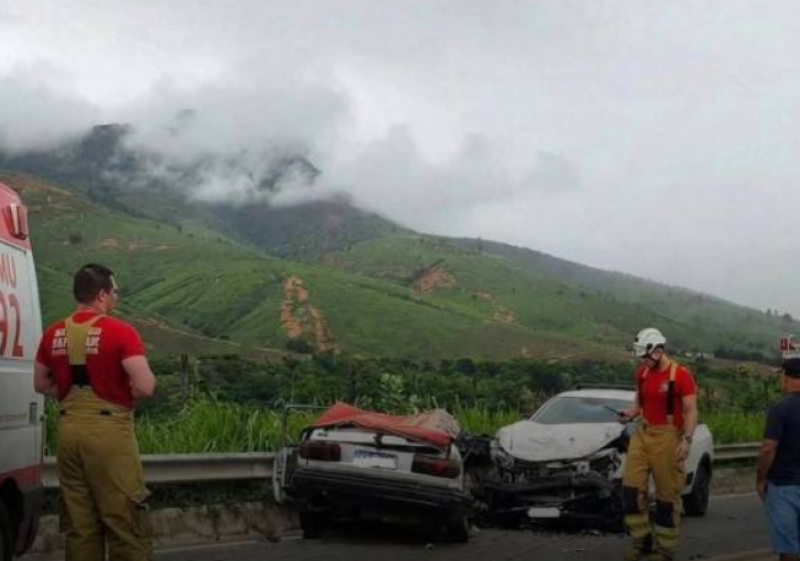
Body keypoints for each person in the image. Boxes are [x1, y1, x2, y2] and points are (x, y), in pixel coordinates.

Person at [33, 264, 157, 561]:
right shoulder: (121, 332)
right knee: (125, 521)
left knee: (80, 526)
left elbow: (40, 384)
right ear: (102, 295)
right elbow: (145, 387)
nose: (116, 297)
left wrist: (69, 394)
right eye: (114, 292)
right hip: (108, 434)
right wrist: (117, 397)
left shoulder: (53, 333)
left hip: (69, 433)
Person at [619, 327, 698, 561]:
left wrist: (687, 440)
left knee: (666, 499)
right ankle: (642, 543)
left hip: (669, 437)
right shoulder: (642, 373)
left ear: (657, 350)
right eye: (641, 357)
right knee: (631, 492)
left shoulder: (681, 375)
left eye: (645, 356)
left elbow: (691, 411)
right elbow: (639, 404)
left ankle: (664, 551)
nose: (642, 361)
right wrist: (629, 414)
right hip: (643, 433)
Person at [757, 336, 800, 561]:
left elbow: (768, 449)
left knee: (789, 549)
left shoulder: (780, 409)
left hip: (783, 486)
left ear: (787, 378)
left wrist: (760, 479)